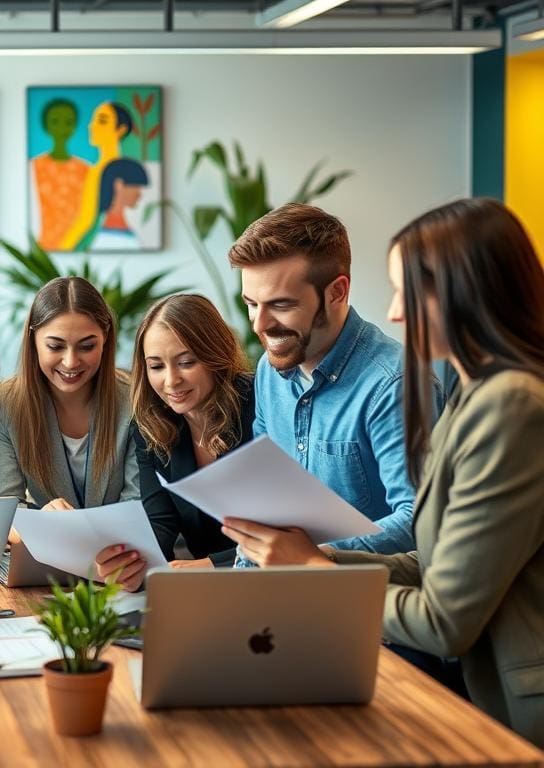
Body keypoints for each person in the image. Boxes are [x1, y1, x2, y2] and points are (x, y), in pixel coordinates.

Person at [221, 198, 544, 748]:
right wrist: (309, 559)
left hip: (506, 705)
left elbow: (443, 617)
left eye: (409, 293)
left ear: (468, 295)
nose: (396, 312)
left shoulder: (508, 404)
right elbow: (434, 560)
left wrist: (314, 574)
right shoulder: (479, 394)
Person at [228, 202, 441, 555]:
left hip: (371, 598)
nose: (259, 325)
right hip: (285, 593)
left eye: (280, 305)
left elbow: (419, 520)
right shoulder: (269, 371)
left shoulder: (395, 385)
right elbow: (267, 499)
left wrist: (309, 555)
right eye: (251, 303)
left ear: (337, 292)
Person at [95, 295, 255, 591]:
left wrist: (212, 566)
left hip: (272, 581)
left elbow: (287, 530)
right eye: (156, 366)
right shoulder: (150, 427)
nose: (171, 381)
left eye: (186, 362)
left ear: (214, 355)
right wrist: (132, 567)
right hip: (205, 592)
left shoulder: (259, 405)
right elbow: (160, 523)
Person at [0, 276, 139, 511]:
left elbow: (137, 504)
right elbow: (6, 509)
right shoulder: (3, 405)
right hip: (44, 546)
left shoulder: (133, 399)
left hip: (124, 545)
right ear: (33, 339)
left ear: (105, 338)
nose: (70, 362)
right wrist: (43, 520)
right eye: (55, 346)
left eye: (87, 346)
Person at [58, 101, 133, 251]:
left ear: (121, 130)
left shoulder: (103, 170)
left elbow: (86, 218)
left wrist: (65, 245)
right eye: (93, 120)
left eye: (102, 121)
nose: (92, 126)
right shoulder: (96, 168)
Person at [31, 98, 90, 251]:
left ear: (75, 126)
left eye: (68, 122)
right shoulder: (34, 166)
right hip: (44, 241)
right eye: (55, 121)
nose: (62, 128)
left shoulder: (85, 169)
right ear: (46, 125)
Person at [79, 158, 149, 251]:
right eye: (136, 186)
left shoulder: (129, 232)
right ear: (119, 185)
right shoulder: (95, 234)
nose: (139, 194)